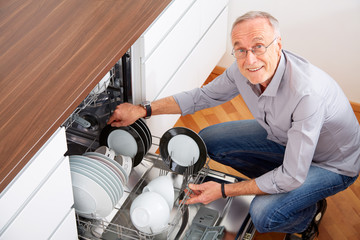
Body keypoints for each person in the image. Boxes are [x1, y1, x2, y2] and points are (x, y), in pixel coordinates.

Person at [108, 11, 360, 240]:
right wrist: (143, 109)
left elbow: (293, 175)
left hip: (333, 164)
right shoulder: (242, 70)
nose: (249, 59)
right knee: (210, 139)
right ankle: (281, 188)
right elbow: (200, 97)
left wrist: (225, 190)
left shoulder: (306, 94)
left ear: (278, 45)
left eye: (258, 46)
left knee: (263, 214)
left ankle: (308, 215)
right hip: (286, 139)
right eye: (240, 49)